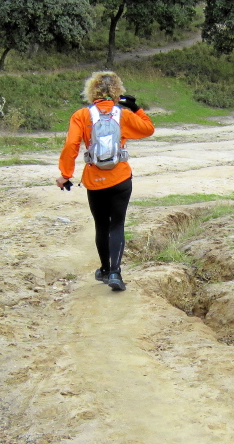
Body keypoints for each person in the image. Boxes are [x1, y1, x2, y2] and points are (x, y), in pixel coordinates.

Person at [56, 71, 155, 291]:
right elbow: (148, 129)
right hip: (121, 178)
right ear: (118, 91)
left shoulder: (81, 115)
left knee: (102, 225)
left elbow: (71, 145)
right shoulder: (123, 114)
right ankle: (115, 273)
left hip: (95, 180)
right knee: (117, 224)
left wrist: (65, 174)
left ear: (91, 91)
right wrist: (136, 108)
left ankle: (104, 269)